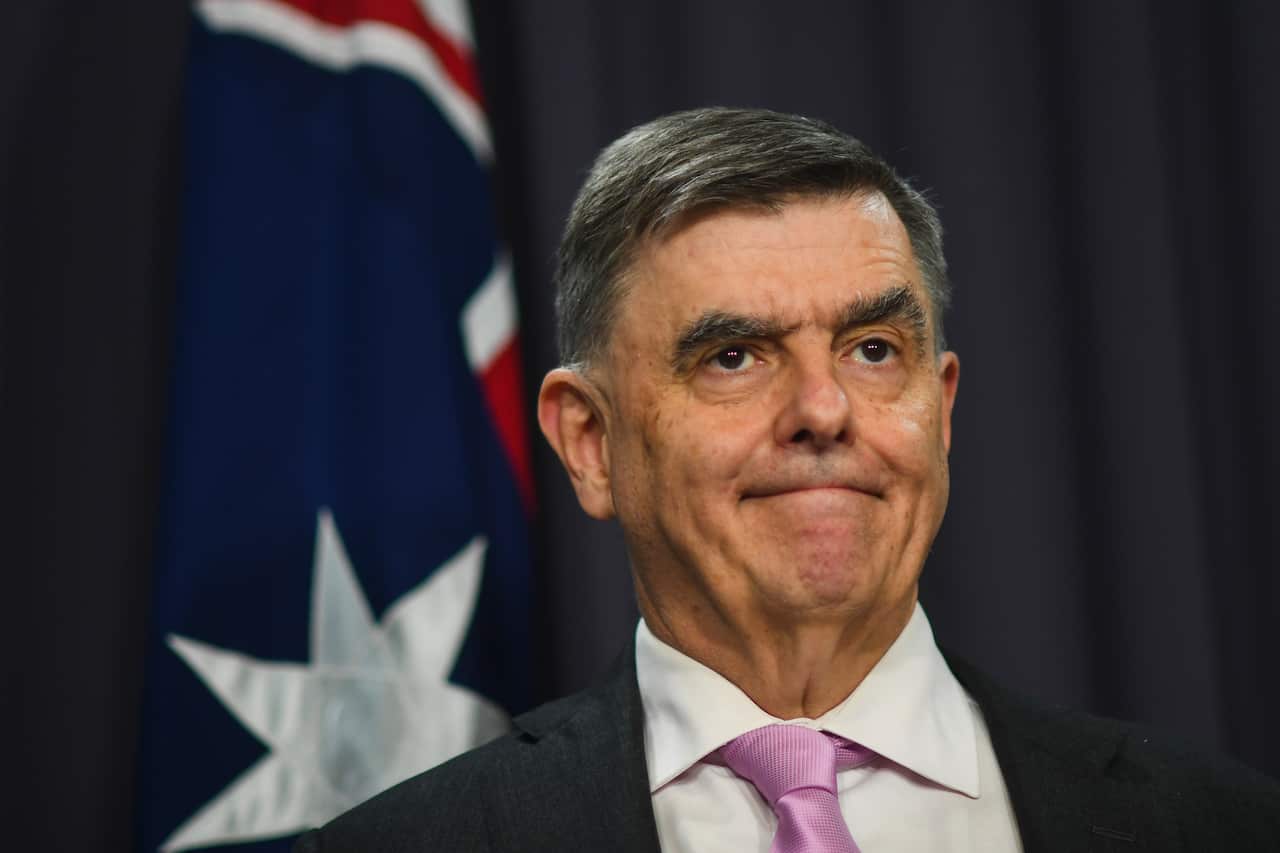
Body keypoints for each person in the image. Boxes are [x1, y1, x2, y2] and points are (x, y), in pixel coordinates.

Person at [295, 107, 1280, 852]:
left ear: (939, 408)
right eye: (732, 355)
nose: (822, 408)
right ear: (589, 441)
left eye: (870, 347)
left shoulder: (1219, 825)